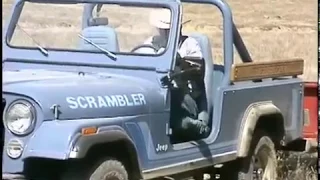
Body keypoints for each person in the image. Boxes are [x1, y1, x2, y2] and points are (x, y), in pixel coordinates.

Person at [146, 8, 211, 140]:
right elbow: (140, 58)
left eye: (168, 29)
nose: (165, 32)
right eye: (162, 29)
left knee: (173, 93)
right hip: (157, 93)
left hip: (186, 99)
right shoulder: (151, 43)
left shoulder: (189, 45)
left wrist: (177, 60)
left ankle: (187, 123)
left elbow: (196, 71)